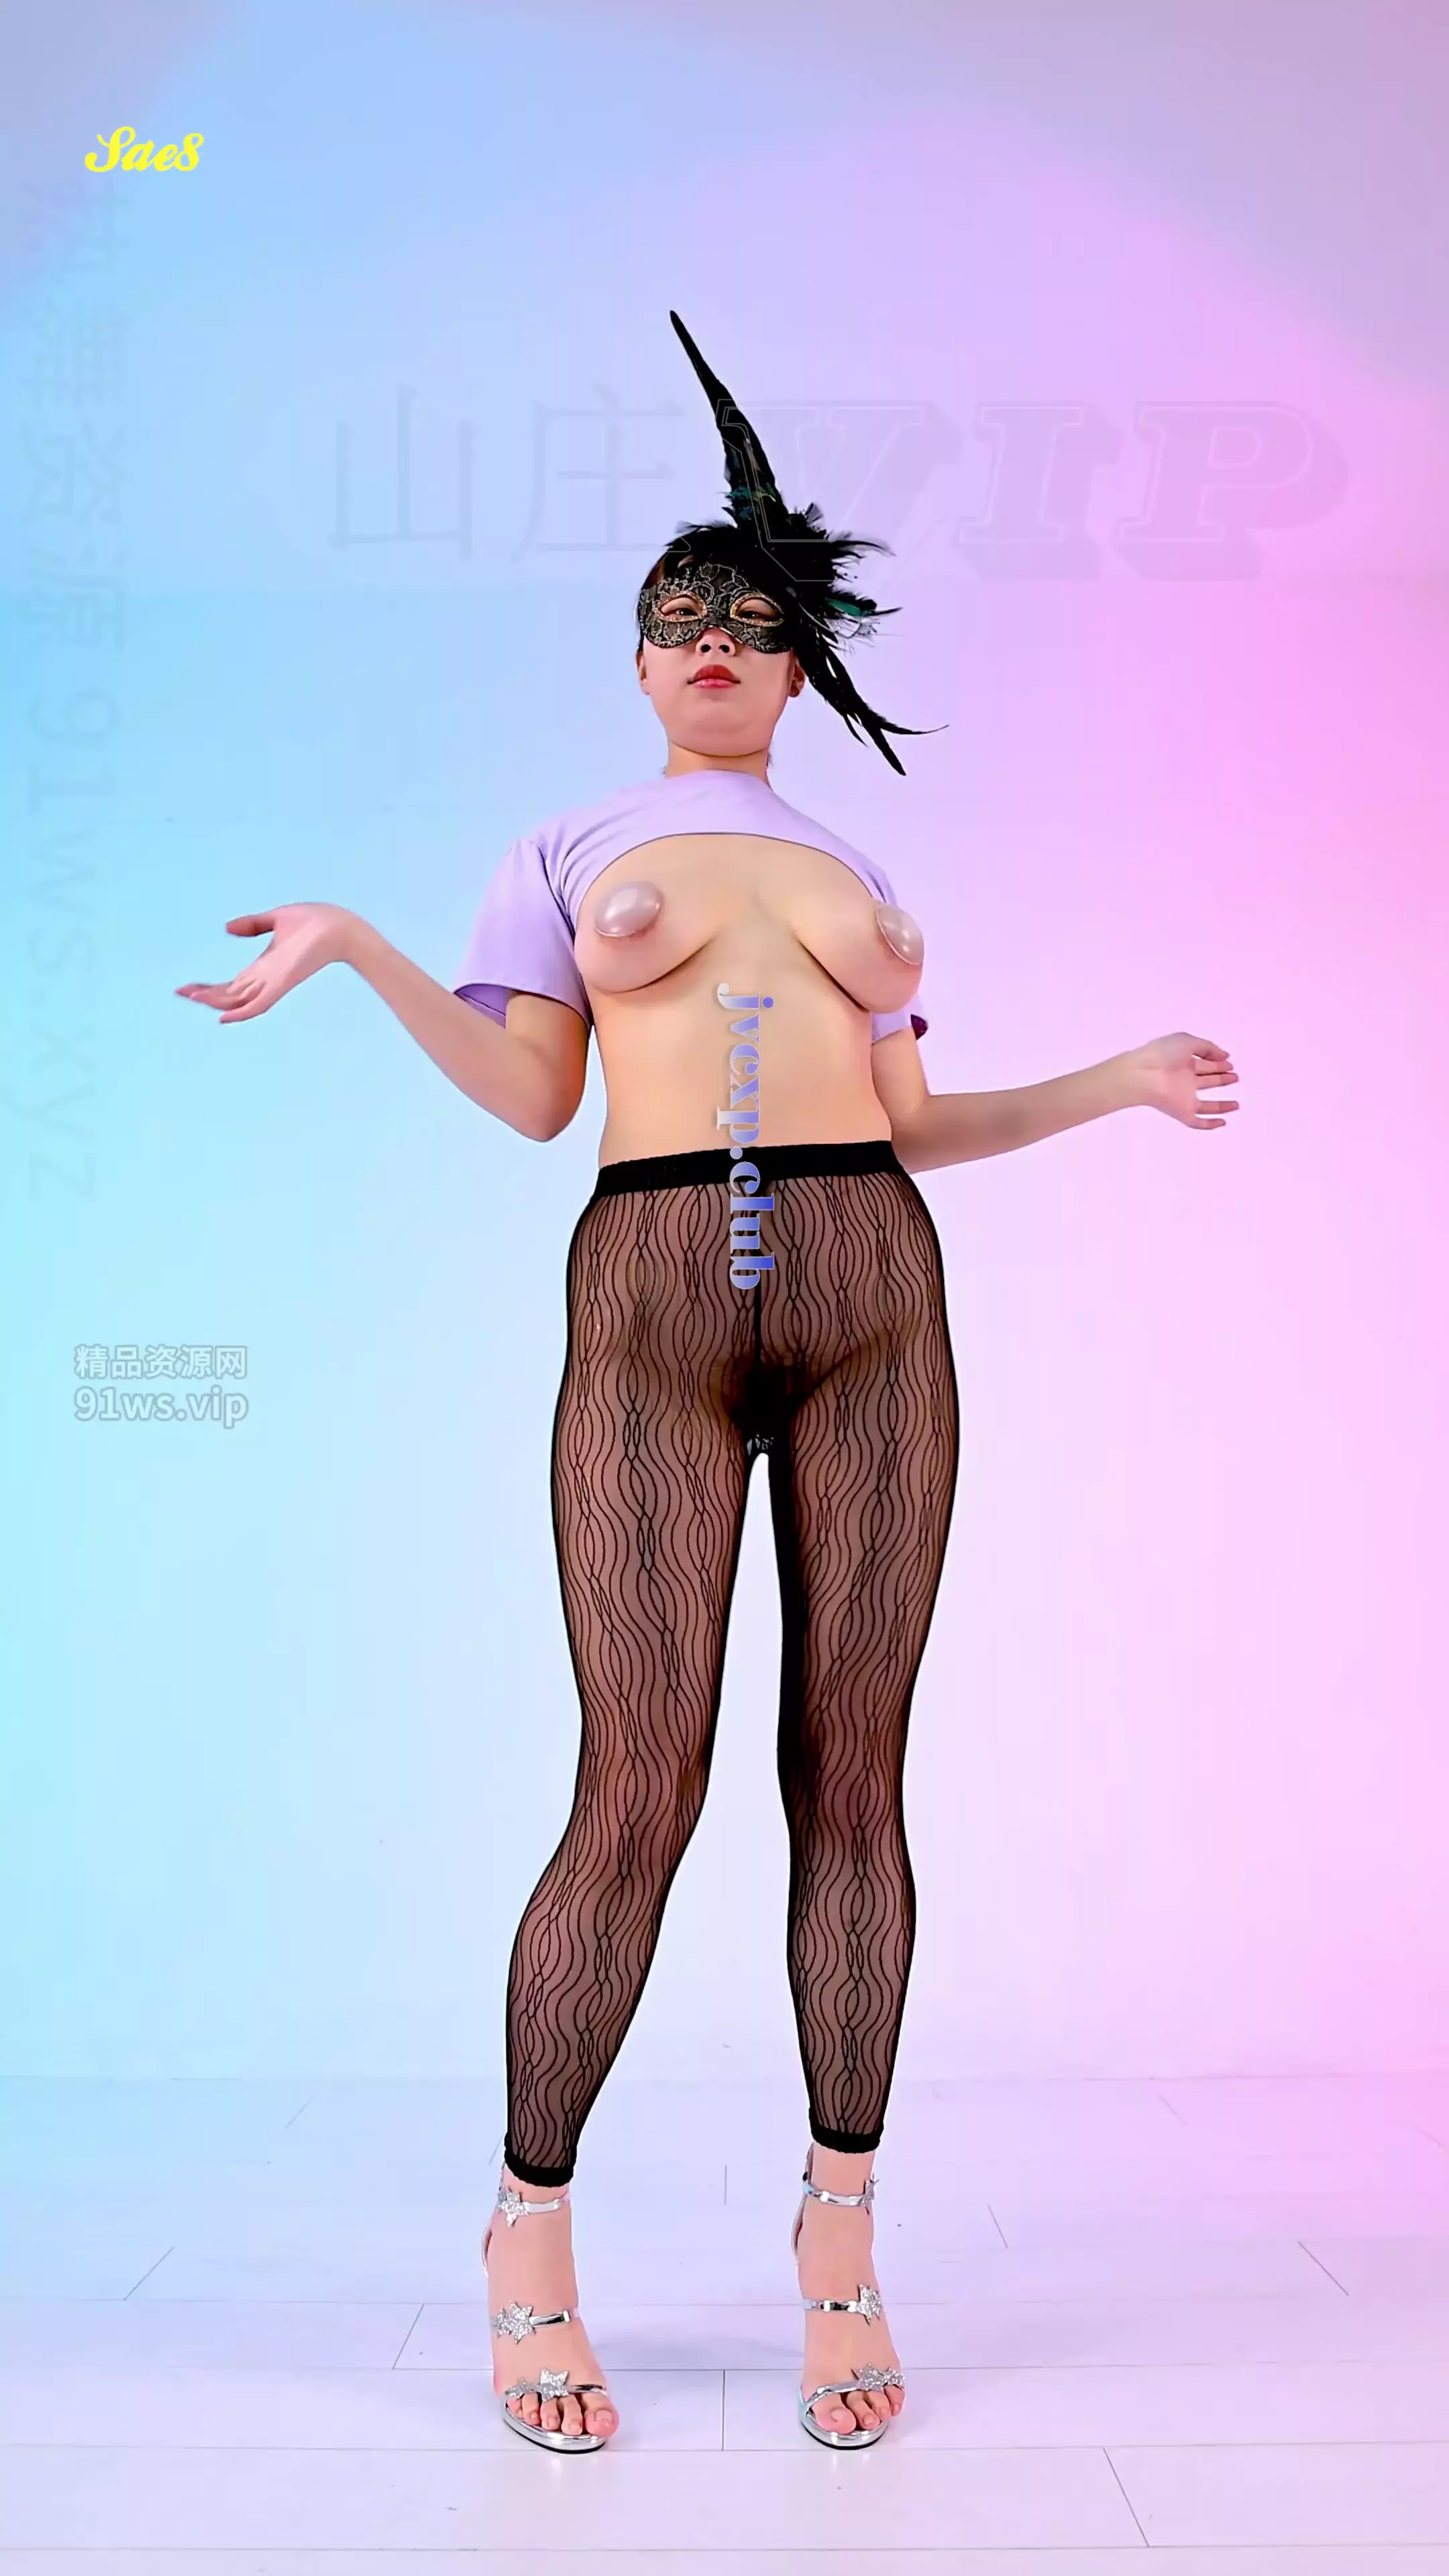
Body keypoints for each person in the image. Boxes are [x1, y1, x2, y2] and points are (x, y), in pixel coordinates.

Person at [176, 315, 1238, 2456]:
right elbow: (528, 1096)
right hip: (657, 1292)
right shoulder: (568, 844)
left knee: (855, 1780)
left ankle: (842, 2241)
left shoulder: (862, 871)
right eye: (679, 620)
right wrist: (363, 946)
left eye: (748, 624)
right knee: (637, 1786)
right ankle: (527, 2239)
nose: (712, 647)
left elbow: (916, 1124)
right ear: (640, 661)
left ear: (801, 663)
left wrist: (1116, 1080)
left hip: (874, 1296)